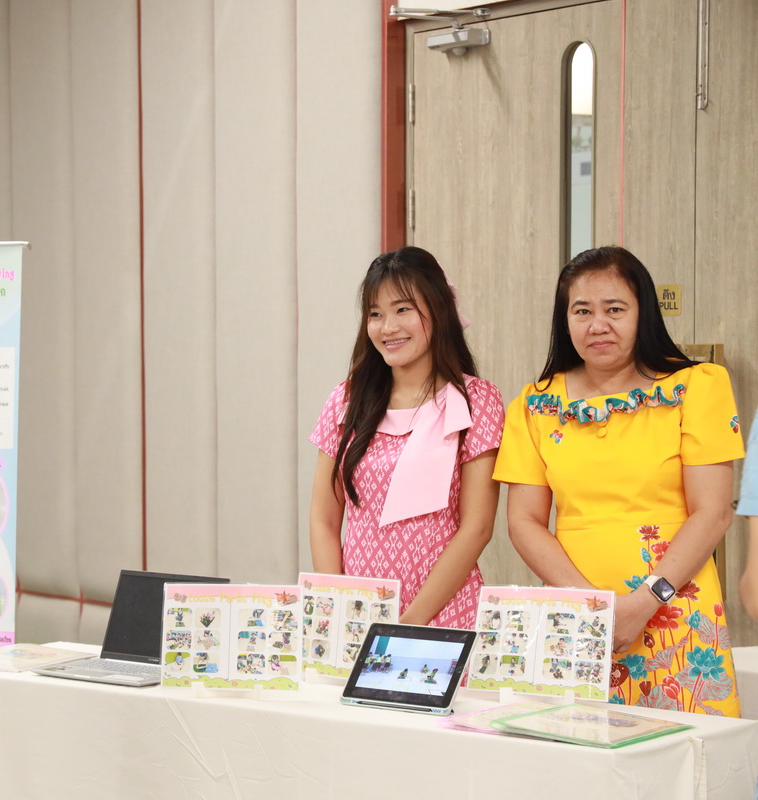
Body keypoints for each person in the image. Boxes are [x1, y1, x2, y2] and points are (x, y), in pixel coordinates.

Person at [494, 246, 744, 715]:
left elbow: (713, 512)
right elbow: (523, 522)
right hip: (580, 619)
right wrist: (591, 606)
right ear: (564, 319)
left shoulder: (697, 387)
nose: (598, 325)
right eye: (582, 311)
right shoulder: (534, 405)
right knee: (579, 750)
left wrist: (645, 602)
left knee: (686, 753)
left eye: (614, 309)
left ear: (642, 313)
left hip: (674, 607)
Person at [308, 247, 503, 629]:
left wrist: (408, 623)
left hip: (449, 614)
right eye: (375, 314)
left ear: (439, 310)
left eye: (402, 310)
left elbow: (477, 526)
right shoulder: (345, 400)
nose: (388, 327)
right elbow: (323, 519)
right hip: (359, 618)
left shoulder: (477, 400)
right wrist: (339, 607)